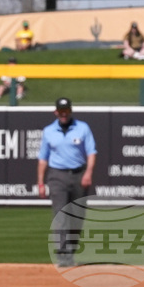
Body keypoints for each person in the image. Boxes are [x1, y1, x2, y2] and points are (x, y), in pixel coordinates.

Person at [36, 98, 97, 268]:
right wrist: (40, 182)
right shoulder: (49, 131)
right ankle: (63, 255)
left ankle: (70, 250)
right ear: (56, 112)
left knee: (77, 216)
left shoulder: (82, 128)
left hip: (79, 174)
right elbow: (43, 158)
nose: (63, 114)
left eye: (66, 110)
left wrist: (88, 173)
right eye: (61, 111)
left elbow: (91, 152)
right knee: (60, 215)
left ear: (70, 111)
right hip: (57, 175)